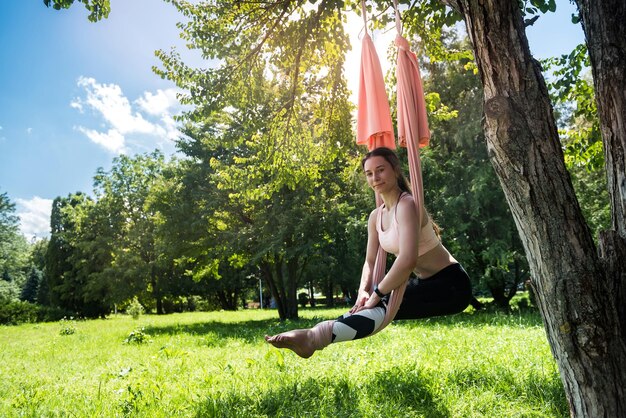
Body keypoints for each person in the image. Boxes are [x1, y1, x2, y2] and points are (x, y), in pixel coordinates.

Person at [265, 147, 472, 358]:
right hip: (424, 283)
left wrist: (378, 293)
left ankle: (314, 337)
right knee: (371, 307)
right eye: (369, 173)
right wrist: (364, 291)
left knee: (381, 304)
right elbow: (370, 262)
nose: (375, 178)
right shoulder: (376, 216)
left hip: (451, 285)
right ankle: (314, 336)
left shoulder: (407, 205)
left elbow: (408, 260)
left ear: (395, 170)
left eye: (381, 170)